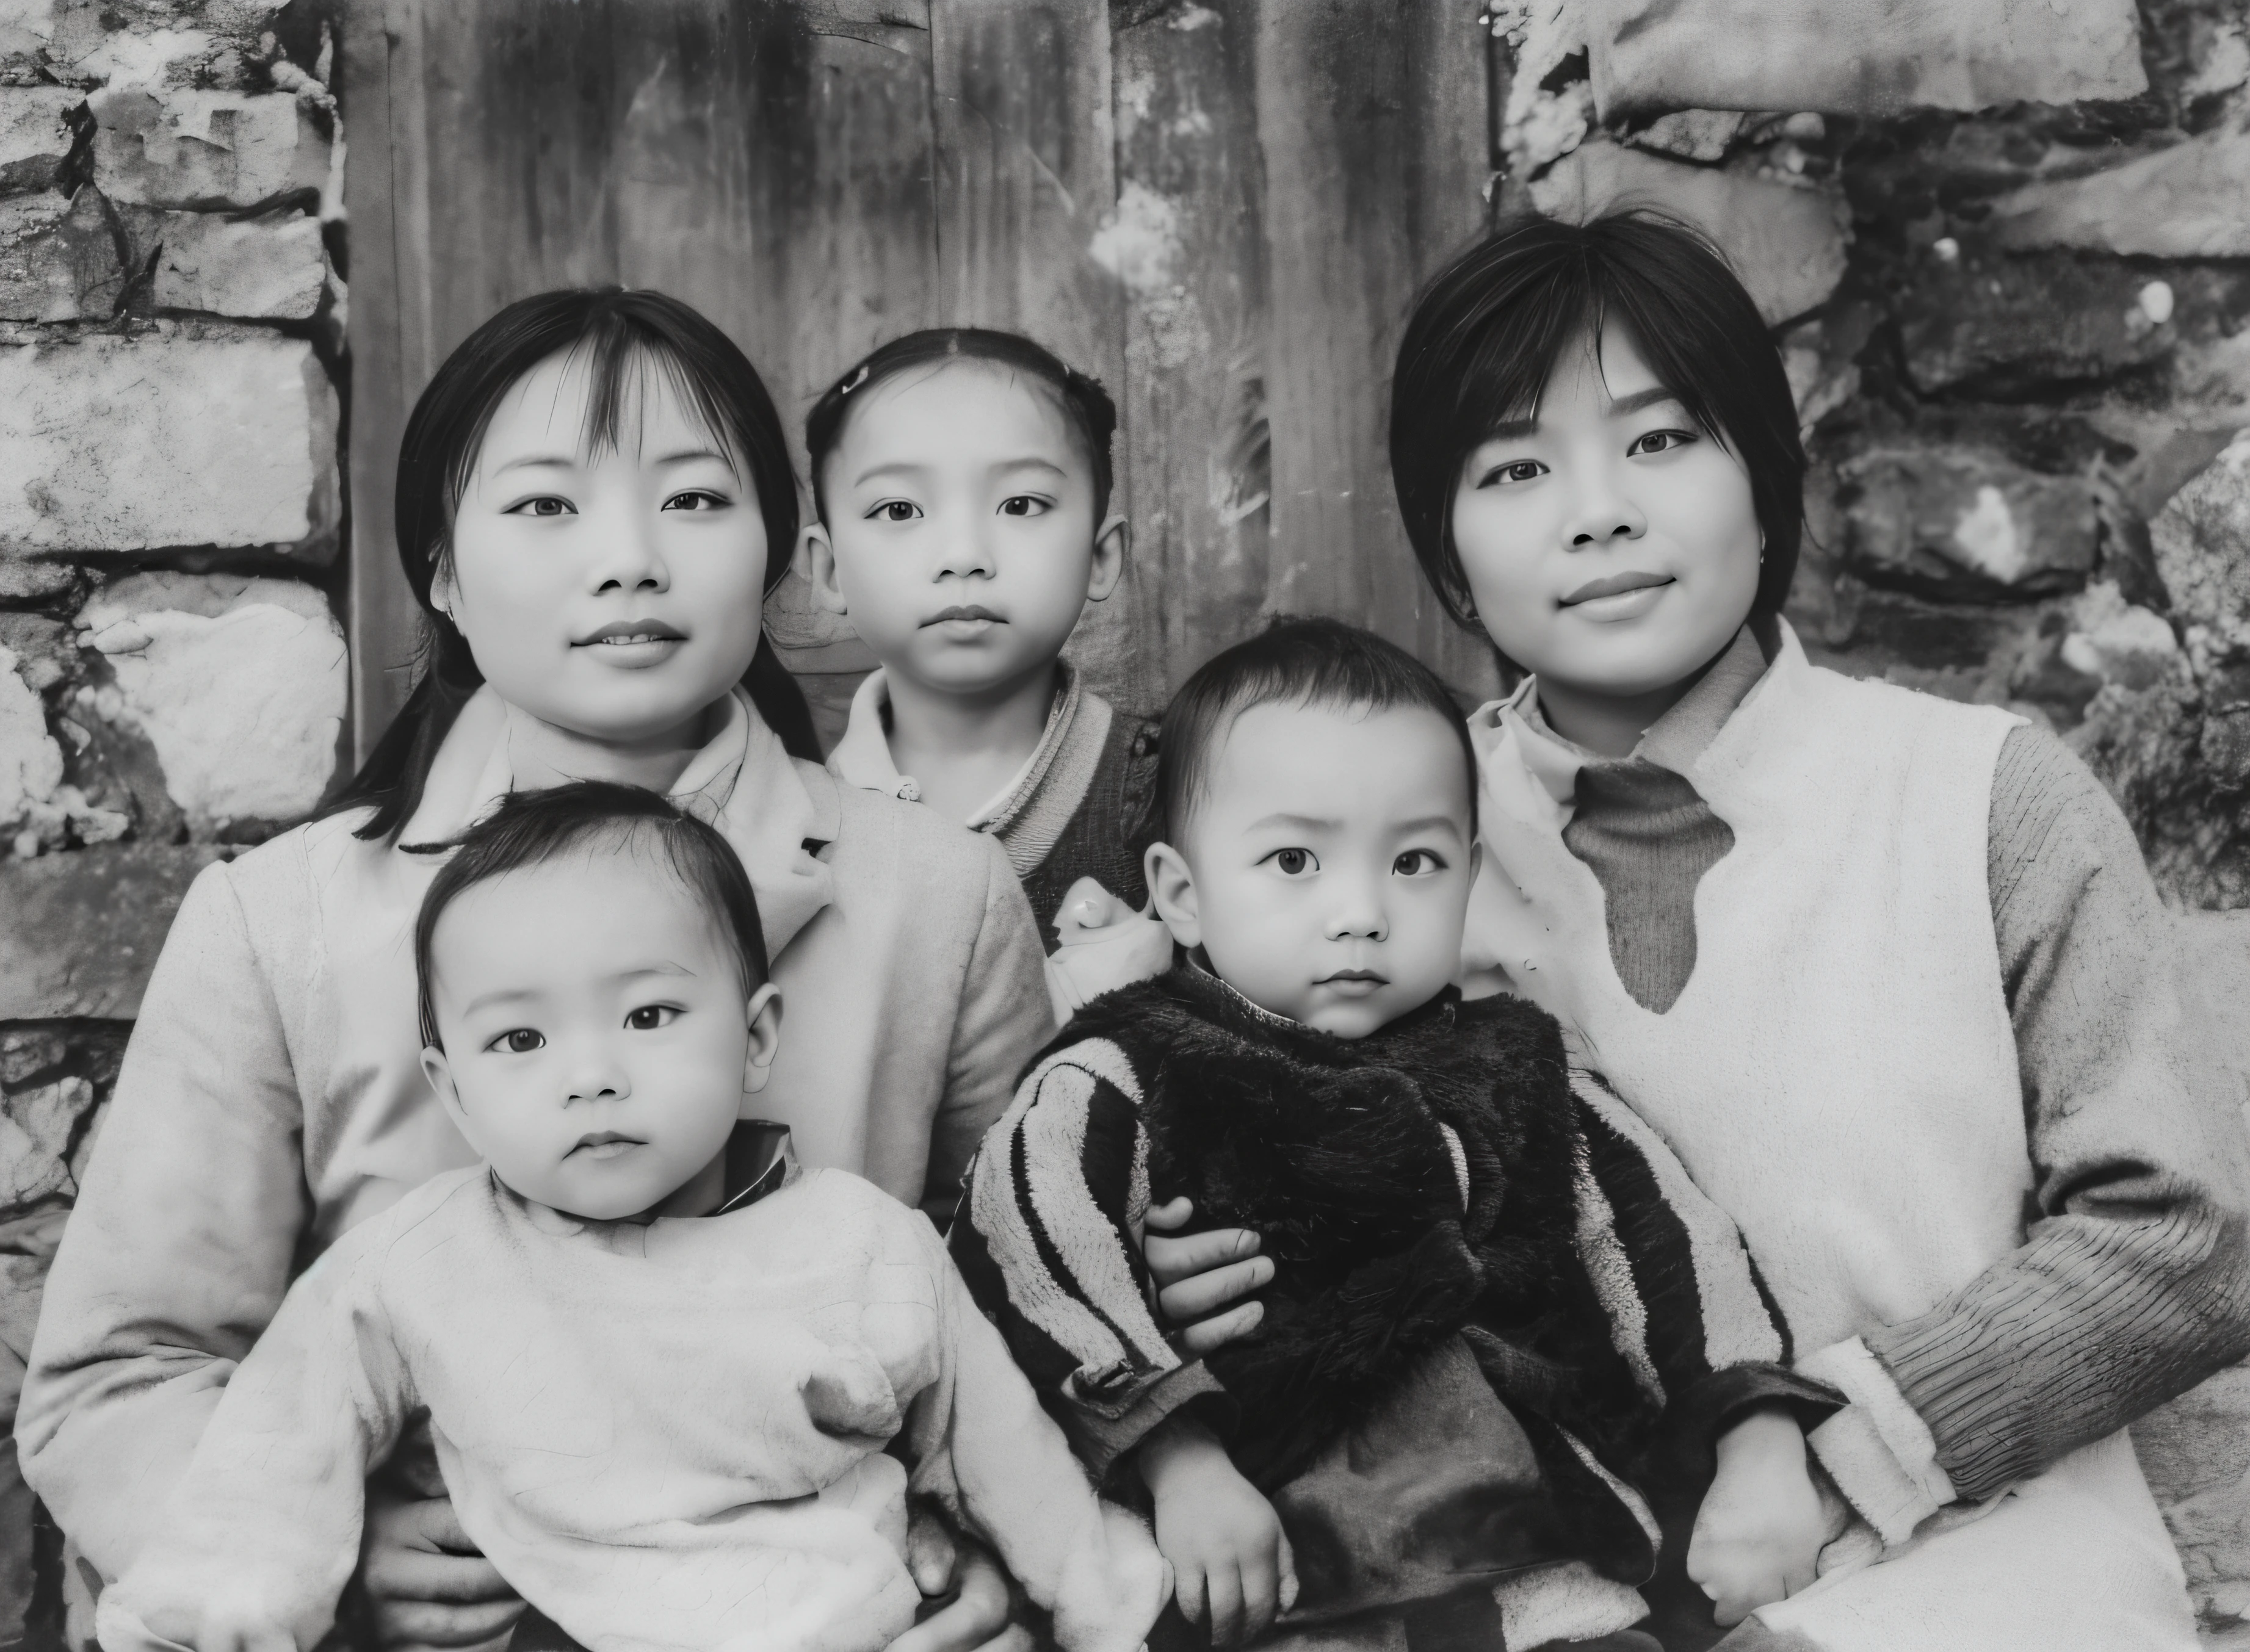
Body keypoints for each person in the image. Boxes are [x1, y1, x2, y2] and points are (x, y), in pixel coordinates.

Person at [20, 289, 1057, 1652]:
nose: (628, 562)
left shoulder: (937, 896)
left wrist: (978, 1555)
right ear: (441, 573)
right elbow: (120, 1375)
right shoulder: (285, 921)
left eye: (692, 501)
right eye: (546, 508)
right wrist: (322, 1548)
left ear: (777, 554)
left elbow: (1020, 1315)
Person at [1387, 211, 2250, 1650]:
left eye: (1659, 441)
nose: (1595, 511)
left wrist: (1848, 1440)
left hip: (1973, 1556)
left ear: (1763, 478)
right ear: (1447, 548)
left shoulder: (1979, 794)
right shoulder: (1381, 846)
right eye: (1515, 467)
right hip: (1542, 1588)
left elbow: (2181, 1233)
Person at [92, 783, 1167, 1652]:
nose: (592, 1075)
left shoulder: (865, 1245)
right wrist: (219, 1610)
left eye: (649, 1015)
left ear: (755, 1039)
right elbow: (275, 1458)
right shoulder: (417, 1268)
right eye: (520, 1041)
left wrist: (1109, 1605)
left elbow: (1002, 1458)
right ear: (452, 1086)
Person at [951, 619, 1842, 1652]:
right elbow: (1025, 1232)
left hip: (1536, 1567)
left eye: (1414, 860)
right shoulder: (1132, 1067)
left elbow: (1662, 1245)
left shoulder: (1519, 1065)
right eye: (1294, 858)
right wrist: (1179, 1457)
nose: (1362, 910)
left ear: (1468, 875)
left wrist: (1758, 1434)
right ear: (1181, 893)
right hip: (1269, 1562)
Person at [797, 330, 1170, 1017]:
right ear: (828, 570)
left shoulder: (1170, 788)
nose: (963, 555)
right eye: (899, 510)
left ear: (1101, 556)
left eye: (1021, 505)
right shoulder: (792, 827)